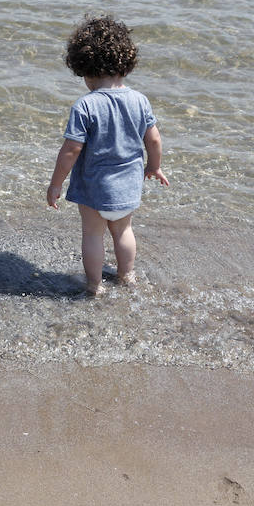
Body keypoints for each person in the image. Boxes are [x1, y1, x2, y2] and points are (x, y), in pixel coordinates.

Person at [46, 15, 170, 296]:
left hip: (94, 189)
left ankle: (94, 286)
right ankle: (127, 276)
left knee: (92, 235)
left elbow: (71, 150)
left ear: (85, 67)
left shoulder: (85, 106)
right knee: (123, 232)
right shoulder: (140, 99)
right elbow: (153, 138)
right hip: (127, 187)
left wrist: (55, 184)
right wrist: (155, 166)